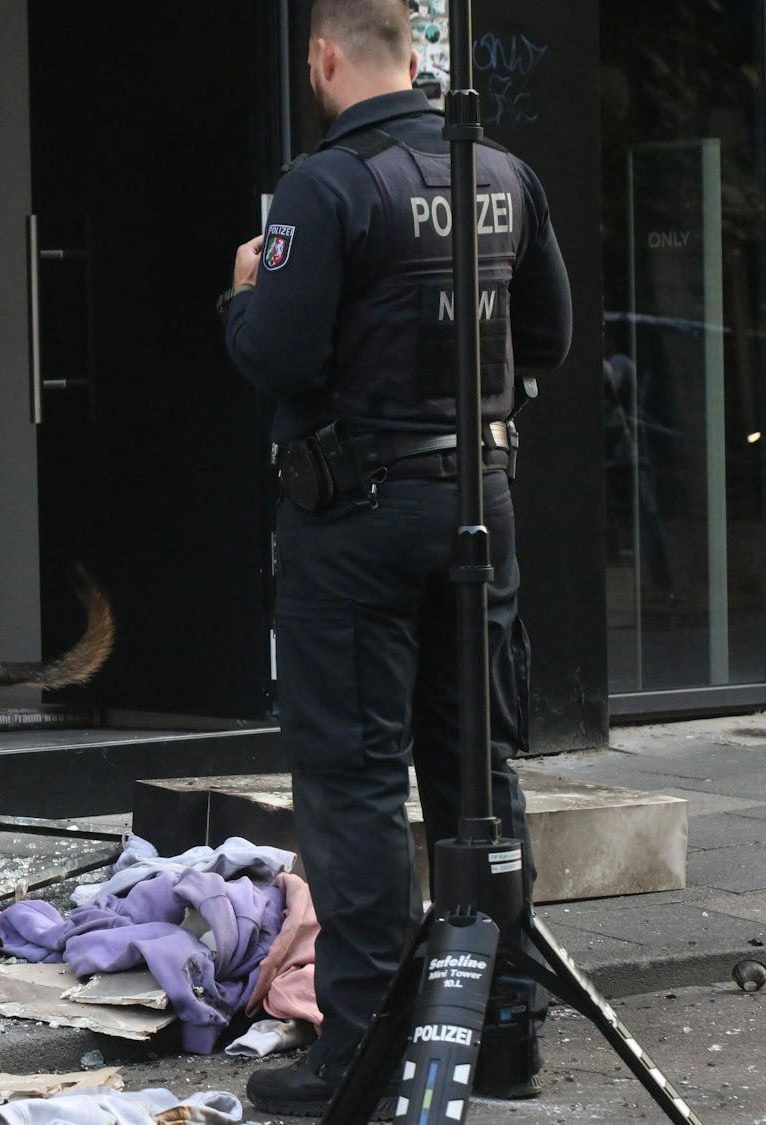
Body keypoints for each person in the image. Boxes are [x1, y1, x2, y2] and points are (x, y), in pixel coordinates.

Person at [219, 0, 572, 1115]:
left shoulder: (324, 187)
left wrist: (240, 291)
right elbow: (549, 339)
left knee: (354, 778)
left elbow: (274, 353)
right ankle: (503, 1029)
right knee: (477, 768)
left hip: (353, 517)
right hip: (481, 499)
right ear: (412, 55)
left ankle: (359, 1048)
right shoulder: (501, 172)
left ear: (323, 58)